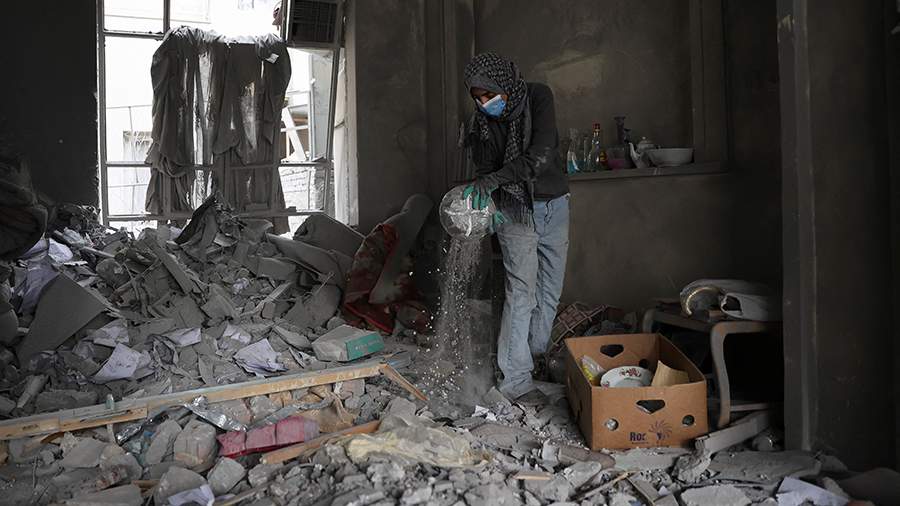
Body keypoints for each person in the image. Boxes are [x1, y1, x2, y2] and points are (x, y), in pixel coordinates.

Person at [461, 52, 570, 399]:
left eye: (489, 94)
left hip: (553, 205)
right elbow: (484, 170)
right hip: (513, 209)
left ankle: (534, 359)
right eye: (477, 97)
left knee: (549, 292)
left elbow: (540, 155)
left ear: (505, 82)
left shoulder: (538, 96)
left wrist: (493, 180)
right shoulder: (481, 124)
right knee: (521, 293)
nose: (485, 103)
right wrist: (490, 201)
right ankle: (516, 382)